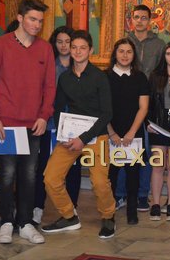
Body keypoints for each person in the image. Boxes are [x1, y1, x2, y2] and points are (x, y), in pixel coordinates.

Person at [0, 0, 55, 245]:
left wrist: (44, 116)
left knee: (30, 175)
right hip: (6, 124)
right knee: (7, 174)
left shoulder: (45, 48)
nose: (37, 25)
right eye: (32, 19)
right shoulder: (0, 44)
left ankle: (25, 223)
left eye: (40, 21)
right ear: (21, 18)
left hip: (33, 124)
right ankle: (6, 222)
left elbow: (50, 86)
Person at [41, 30, 116, 239]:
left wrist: (84, 138)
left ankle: (108, 216)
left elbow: (107, 113)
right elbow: (58, 108)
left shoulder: (100, 77)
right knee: (51, 177)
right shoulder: (65, 78)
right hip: (70, 136)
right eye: (74, 47)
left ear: (90, 50)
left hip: (97, 136)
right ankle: (69, 216)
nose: (77, 51)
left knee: (99, 182)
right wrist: (63, 133)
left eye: (82, 48)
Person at [33, 26, 81, 224]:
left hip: (73, 125)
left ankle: (71, 208)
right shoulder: (48, 65)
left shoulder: (79, 66)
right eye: (59, 41)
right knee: (43, 166)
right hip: (50, 123)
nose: (63, 46)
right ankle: (38, 207)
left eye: (67, 42)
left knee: (73, 167)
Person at [106, 38, 150, 225]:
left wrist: (132, 132)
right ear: (115, 54)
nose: (125, 55)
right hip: (110, 132)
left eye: (129, 52)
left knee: (133, 174)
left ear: (134, 55)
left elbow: (143, 107)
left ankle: (132, 210)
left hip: (134, 132)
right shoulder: (105, 76)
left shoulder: (140, 77)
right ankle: (108, 213)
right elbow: (101, 108)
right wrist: (112, 133)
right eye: (121, 51)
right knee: (111, 175)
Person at [127, 4, 165, 213]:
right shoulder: (125, 42)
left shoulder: (159, 44)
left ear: (149, 21)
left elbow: (162, 72)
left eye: (143, 17)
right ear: (131, 20)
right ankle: (123, 193)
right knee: (126, 148)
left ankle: (143, 194)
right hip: (128, 101)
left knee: (147, 150)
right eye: (136, 17)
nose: (140, 21)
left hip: (151, 103)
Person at [147, 41, 170, 221]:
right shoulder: (155, 76)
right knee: (158, 165)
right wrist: (148, 122)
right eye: (168, 54)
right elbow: (149, 102)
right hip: (158, 123)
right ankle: (155, 203)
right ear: (164, 56)